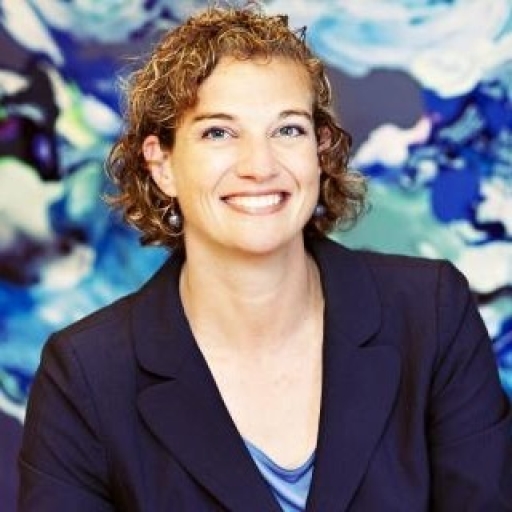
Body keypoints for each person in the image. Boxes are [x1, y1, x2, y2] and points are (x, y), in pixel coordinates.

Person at [17, 4, 512, 512]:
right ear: (162, 164)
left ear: (320, 150)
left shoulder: (431, 314)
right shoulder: (86, 374)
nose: (260, 165)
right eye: (218, 132)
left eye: (288, 130)